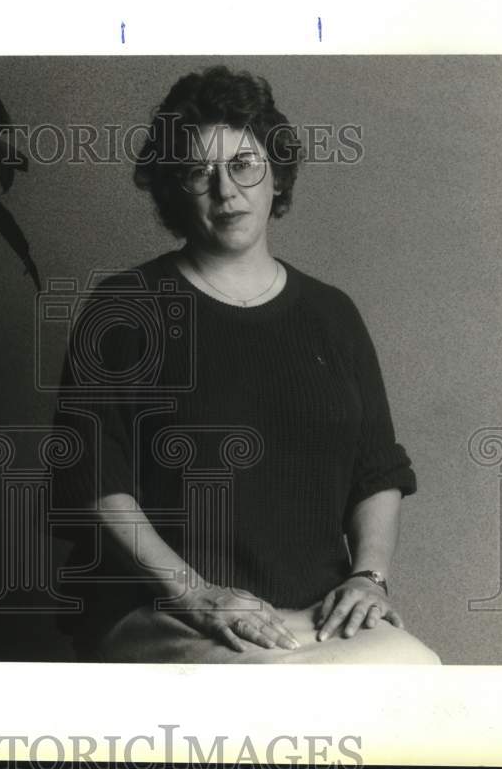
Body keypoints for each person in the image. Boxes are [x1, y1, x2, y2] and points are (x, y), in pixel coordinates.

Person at [51, 66, 441, 664]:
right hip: (168, 609)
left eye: (243, 164)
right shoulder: (126, 309)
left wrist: (369, 578)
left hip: (315, 612)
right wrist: (197, 594)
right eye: (198, 172)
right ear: (172, 189)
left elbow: (377, 471)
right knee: (273, 698)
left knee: (416, 670)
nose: (226, 191)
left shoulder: (332, 314)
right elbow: (95, 483)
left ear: (276, 176)